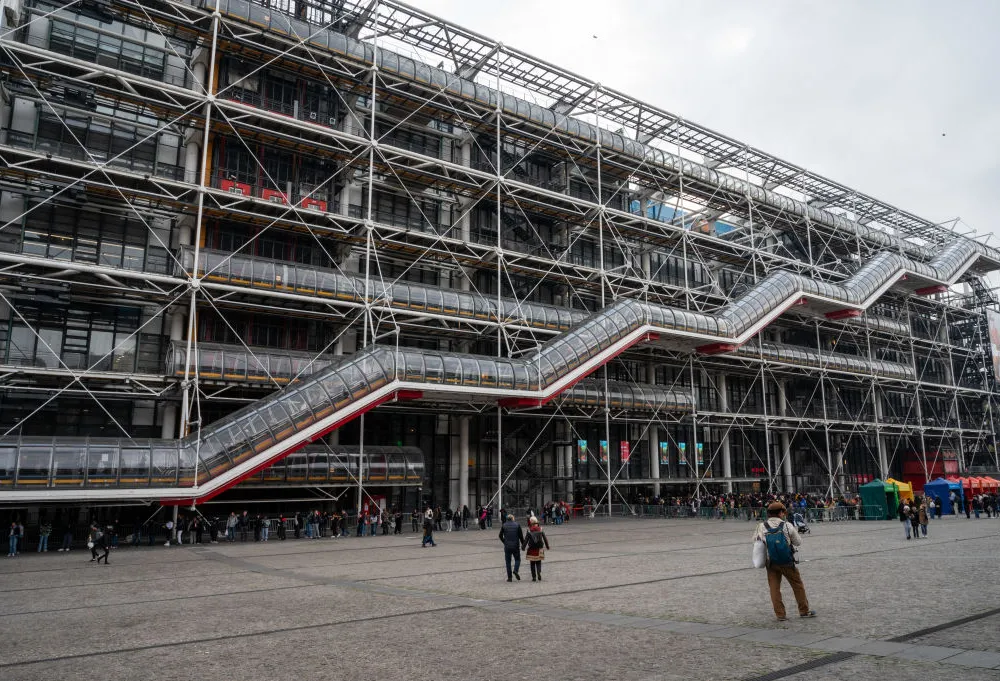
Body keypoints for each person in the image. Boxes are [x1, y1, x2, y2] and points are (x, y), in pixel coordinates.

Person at [753, 502, 815, 621]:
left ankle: (780, 614)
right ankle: (804, 610)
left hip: (771, 562)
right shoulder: (787, 525)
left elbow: (757, 543)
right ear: (780, 513)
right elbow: (798, 542)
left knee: (774, 588)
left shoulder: (761, 526)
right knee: (797, 585)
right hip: (786, 561)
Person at [521, 517, 550, 582]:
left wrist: (523, 547)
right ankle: (539, 572)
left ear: (531, 522)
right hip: (539, 548)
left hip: (531, 548)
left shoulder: (529, 530)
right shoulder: (541, 529)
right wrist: (547, 546)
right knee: (538, 562)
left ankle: (534, 577)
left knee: (532, 563)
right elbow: (545, 539)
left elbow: (526, 540)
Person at [498, 514, 524, 582]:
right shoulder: (517, 525)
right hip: (515, 546)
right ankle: (515, 570)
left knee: (508, 562)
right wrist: (523, 545)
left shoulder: (504, 525)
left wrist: (504, 542)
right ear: (513, 518)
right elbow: (521, 537)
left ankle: (509, 578)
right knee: (517, 560)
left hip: (507, 546)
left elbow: (500, 535)